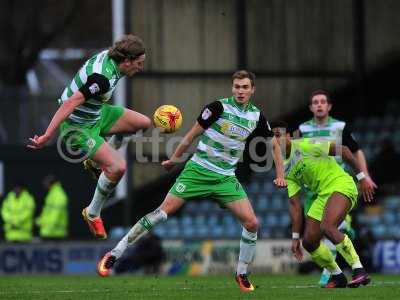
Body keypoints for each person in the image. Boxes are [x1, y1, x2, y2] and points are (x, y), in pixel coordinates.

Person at [97, 70, 287, 292]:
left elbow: (274, 145)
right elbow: (191, 135)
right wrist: (174, 159)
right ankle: (114, 254)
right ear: (232, 88)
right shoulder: (217, 108)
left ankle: (242, 273)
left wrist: (280, 175)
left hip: (225, 178)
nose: (240, 91)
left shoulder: (256, 116)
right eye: (237, 86)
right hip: (197, 171)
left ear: (252, 90)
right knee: (161, 213)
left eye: (245, 87)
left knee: (252, 223)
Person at [27, 34, 152, 239]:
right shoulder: (102, 78)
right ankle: (92, 213)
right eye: (138, 63)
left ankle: (95, 163)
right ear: (127, 60)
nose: (140, 68)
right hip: (77, 127)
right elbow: (69, 102)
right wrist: (47, 135)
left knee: (143, 124)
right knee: (118, 167)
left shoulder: (113, 60)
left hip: (97, 114)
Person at [271, 121, 375, 288]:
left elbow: (344, 149)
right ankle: (337, 276)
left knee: (328, 227)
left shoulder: (306, 145)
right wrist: (295, 238)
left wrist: (362, 177)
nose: (275, 140)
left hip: (341, 185)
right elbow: (295, 204)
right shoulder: (285, 167)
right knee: (309, 241)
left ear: (289, 136)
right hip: (323, 196)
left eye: (278, 135)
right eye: (272, 137)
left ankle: (359, 270)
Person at [298, 89, 377, 286]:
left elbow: (355, 151)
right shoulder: (303, 130)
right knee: (313, 237)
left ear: (329, 106)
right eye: (315, 102)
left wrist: (364, 175)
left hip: (337, 184)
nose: (319, 105)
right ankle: (336, 270)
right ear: (310, 107)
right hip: (313, 191)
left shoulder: (339, 127)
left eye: (322, 101)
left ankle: (333, 273)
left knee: (331, 227)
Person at [36, 175, 69, 239]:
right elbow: (47, 213)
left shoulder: (58, 195)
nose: (44, 184)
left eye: (46, 182)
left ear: (51, 183)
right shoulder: (52, 194)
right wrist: (40, 221)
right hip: (50, 233)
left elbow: (55, 216)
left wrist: (46, 231)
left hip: (55, 235)